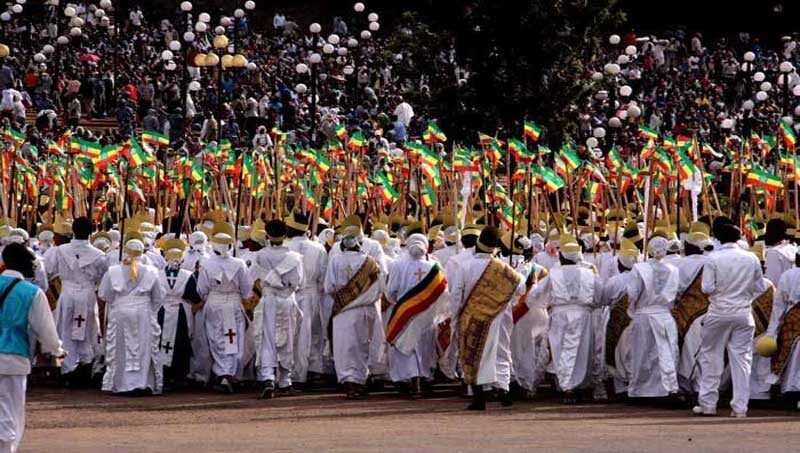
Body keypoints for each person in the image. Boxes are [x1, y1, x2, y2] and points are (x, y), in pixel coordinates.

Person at [694, 221, 769, 417]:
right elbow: (760, 286)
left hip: (719, 312)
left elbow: (707, 288)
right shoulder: (751, 258)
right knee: (742, 360)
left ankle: (708, 404)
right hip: (743, 314)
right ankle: (740, 407)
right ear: (739, 238)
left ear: (718, 238)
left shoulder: (713, 258)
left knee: (711, 357)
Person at [449, 226, 524, 410]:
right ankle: (504, 390)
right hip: (498, 316)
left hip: (472, 316)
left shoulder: (465, 266)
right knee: (501, 351)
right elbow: (519, 288)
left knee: (473, 354)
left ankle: (479, 395)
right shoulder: (504, 269)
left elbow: (456, 294)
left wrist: (455, 315)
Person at [0, 243, 63, 453]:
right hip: (14, 357)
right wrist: (56, 350)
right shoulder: (31, 293)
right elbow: (46, 329)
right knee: (10, 411)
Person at [530, 234, 602, 403]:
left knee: (562, 350)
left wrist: (544, 302)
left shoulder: (554, 273)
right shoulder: (590, 273)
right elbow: (600, 295)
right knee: (580, 352)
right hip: (583, 316)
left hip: (561, 316)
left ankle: (567, 386)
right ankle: (573, 386)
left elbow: (537, 295)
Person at [44, 217, 109, 384]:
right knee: (88, 329)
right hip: (87, 294)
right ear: (91, 233)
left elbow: (48, 272)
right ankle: (86, 365)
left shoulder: (59, 251)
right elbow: (104, 279)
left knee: (65, 329)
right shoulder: (100, 256)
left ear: (73, 230)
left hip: (67, 293)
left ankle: (67, 368)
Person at [98, 238, 165, 395]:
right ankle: (142, 382)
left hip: (121, 311)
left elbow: (104, 294)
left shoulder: (113, 271)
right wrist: (146, 307)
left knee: (121, 347)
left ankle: (123, 383)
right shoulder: (151, 272)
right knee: (144, 346)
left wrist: (121, 302)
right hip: (144, 312)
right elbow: (158, 297)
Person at [384, 234, 447, 398]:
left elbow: (391, 291)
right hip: (427, 314)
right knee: (423, 347)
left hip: (404, 313)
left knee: (406, 346)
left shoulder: (398, 264)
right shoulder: (434, 266)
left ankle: (411, 380)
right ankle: (421, 379)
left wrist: (397, 301)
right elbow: (444, 292)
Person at [194, 223, 254, 392]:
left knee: (217, 338)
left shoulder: (205, 264)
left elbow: (201, 289)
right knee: (233, 338)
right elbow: (247, 289)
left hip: (214, 302)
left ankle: (223, 374)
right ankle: (230, 373)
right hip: (234, 303)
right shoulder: (240, 264)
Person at [324, 230, 382, 399]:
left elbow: (329, 287)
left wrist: (344, 297)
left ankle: (349, 381)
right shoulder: (370, 261)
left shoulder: (335, 260)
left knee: (344, 346)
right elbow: (378, 288)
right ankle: (360, 381)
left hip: (343, 310)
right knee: (362, 345)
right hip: (365, 309)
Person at [253, 220, 303, 399]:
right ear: (285, 235)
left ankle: (267, 377)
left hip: (268, 300)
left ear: (267, 235)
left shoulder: (259, 255)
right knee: (287, 338)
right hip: (287, 299)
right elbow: (298, 281)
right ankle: (285, 380)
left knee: (267, 338)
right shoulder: (294, 257)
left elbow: (255, 279)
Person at [624, 236, 680, 398]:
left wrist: (633, 310)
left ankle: (642, 390)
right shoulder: (673, 269)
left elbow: (632, 293)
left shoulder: (639, 269)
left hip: (645, 315)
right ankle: (667, 388)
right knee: (666, 352)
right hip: (664, 315)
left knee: (643, 353)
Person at [284, 212, 328, 385]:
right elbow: (323, 278)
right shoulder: (318, 248)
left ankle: (297, 374)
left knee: (294, 335)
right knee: (313, 333)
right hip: (311, 295)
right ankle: (313, 369)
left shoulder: (286, 247)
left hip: (292, 294)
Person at [156, 239, 201, 388]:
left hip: (163, 312)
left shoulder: (158, 274)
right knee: (181, 342)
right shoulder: (187, 276)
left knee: (162, 341)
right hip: (181, 312)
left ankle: (164, 374)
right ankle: (179, 375)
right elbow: (193, 296)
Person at [598, 238, 639, 394]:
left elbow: (603, 299)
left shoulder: (615, 281)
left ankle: (620, 387)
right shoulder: (641, 277)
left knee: (616, 353)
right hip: (636, 319)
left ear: (620, 264)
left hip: (616, 320)